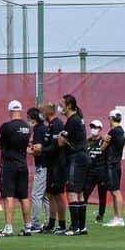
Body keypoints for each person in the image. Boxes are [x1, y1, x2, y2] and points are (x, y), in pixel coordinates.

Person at [0, 100, 33, 237]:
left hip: (9, 165)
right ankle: (28, 227)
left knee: (8, 195)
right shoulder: (27, 127)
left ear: (10, 111)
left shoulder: (6, 127)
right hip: (23, 165)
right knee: (24, 197)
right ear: (20, 110)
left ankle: (9, 228)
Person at [58, 93, 90, 235]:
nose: (60, 107)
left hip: (76, 158)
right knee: (80, 193)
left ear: (69, 105)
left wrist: (61, 138)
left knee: (72, 192)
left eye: (61, 104)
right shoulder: (79, 118)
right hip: (84, 157)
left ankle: (75, 227)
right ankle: (82, 227)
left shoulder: (72, 120)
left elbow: (60, 141)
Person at [33, 102, 67, 234]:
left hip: (58, 164)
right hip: (51, 164)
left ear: (48, 112)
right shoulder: (50, 126)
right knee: (51, 194)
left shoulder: (57, 124)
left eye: (42, 111)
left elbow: (56, 146)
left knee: (58, 194)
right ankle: (50, 223)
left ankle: (62, 224)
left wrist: (42, 149)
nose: (40, 113)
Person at [26, 107, 48, 233]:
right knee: (45, 196)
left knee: (36, 195)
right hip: (47, 165)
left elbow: (38, 150)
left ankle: (34, 223)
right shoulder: (43, 128)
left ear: (34, 119)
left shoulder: (39, 130)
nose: (28, 121)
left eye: (29, 118)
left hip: (42, 166)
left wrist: (26, 149)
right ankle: (49, 222)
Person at [83, 119, 109, 224]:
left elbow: (109, 141)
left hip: (102, 171)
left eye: (96, 127)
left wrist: (104, 138)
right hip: (90, 171)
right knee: (85, 194)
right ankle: (81, 214)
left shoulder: (104, 141)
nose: (93, 129)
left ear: (100, 129)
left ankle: (101, 215)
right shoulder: (87, 141)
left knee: (102, 195)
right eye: (92, 127)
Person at [103, 111, 125, 227]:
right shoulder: (120, 131)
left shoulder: (114, 132)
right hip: (115, 163)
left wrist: (103, 140)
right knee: (114, 191)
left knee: (116, 191)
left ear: (111, 119)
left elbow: (103, 147)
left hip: (112, 163)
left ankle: (119, 218)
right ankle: (117, 217)